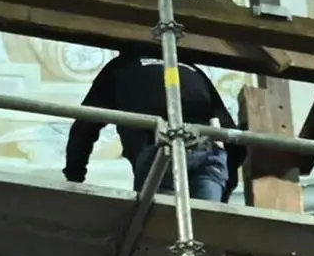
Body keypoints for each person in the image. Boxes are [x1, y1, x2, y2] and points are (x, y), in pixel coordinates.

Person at [65, 46, 237, 202]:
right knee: (207, 226)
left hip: (160, 153)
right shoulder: (192, 69)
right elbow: (232, 135)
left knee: (164, 229)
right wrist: (227, 186)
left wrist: (75, 177)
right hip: (207, 152)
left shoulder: (121, 66)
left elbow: (86, 124)